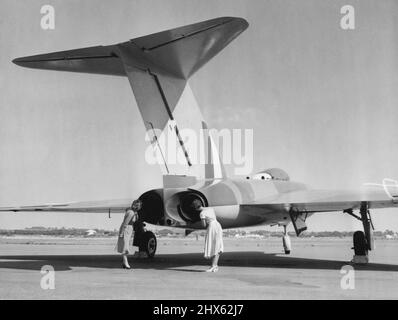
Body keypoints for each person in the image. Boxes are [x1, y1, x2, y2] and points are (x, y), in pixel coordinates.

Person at [192, 199, 224, 272]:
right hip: (217, 225)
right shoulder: (210, 208)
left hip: (212, 227)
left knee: (212, 245)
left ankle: (213, 266)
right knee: (217, 245)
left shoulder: (202, 213)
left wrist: (201, 220)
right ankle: (214, 266)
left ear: (196, 208)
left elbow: (204, 225)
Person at [116, 200, 142, 269]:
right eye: (137, 205)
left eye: (139, 205)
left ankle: (124, 262)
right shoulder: (131, 213)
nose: (138, 207)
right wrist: (122, 233)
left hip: (129, 229)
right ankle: (125, 262)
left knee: (126, 245)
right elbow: (125, 223)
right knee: (125, 246)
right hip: (126, 229)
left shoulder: (134, 212)